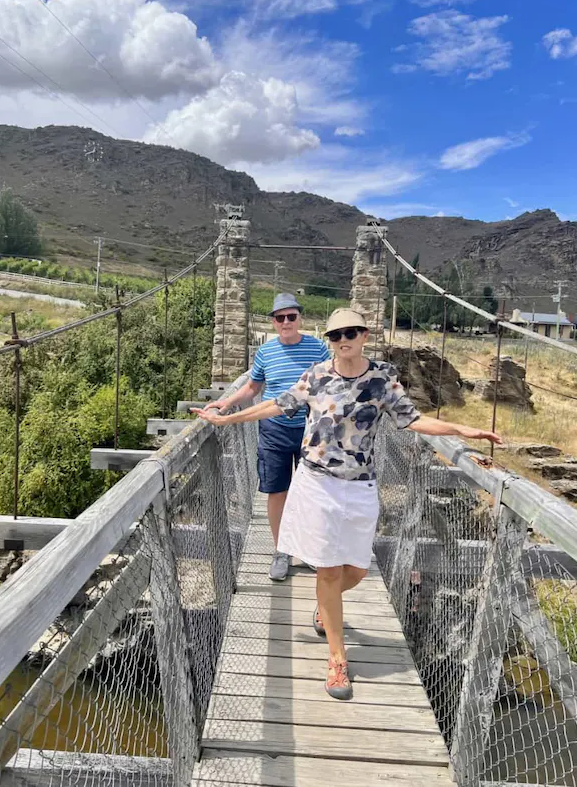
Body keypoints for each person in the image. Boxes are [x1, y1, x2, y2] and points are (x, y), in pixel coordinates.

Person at [193, 307, 502, 701]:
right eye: (336, 335)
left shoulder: (383, 378)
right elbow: (276, 404)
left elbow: (412, 420)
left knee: (354, 569)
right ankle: (338, 658)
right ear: (330, 341)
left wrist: (461, 429)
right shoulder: (317, 375)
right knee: (328, 568)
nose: (344, 340)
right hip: (317, 482)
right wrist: (227, 418)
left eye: (351, 332)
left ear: (365, 335)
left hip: (360, 485)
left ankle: (326, 607)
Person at [203, 292, 329, 581]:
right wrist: (226, 403)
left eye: (291, 317)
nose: (286, 322)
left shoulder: (318, 349)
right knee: (277, 490)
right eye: (280, 317)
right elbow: (253, 388)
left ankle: (308, 550)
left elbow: (328, 387)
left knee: (313, 492)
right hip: (273, 429)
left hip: (311, 431)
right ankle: (282, 550)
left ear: (300, 319)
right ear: (273, 322)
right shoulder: (266, 353)